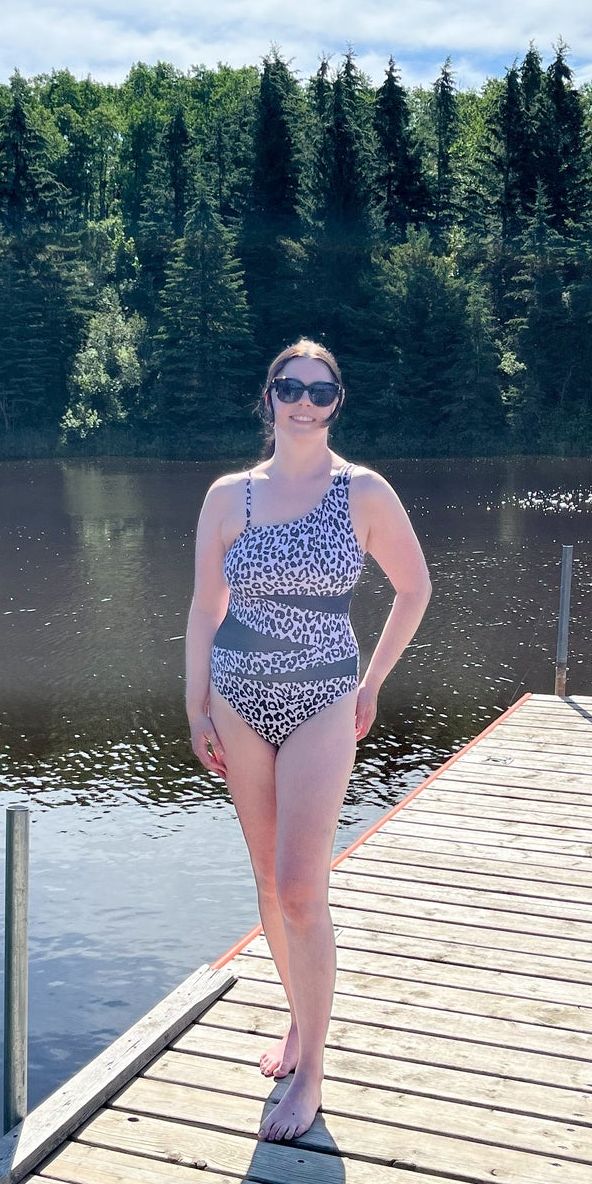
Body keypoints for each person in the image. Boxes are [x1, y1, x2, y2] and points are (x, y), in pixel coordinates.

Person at [185, 340, 432, 1142]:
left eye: (318, 390)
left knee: (299, 887)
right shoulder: (229, 496)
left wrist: (373, 684)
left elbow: (414, 587)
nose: (302, 400)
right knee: (263, 876)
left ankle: (314, 1072)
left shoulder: (360, 491)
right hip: (237, 699)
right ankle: (296, 1024)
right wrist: (196, 706)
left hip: (325, 698)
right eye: (289, 386)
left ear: (336, 401)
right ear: (268, 396)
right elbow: (202, 607)